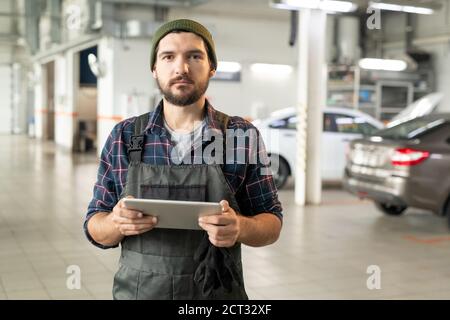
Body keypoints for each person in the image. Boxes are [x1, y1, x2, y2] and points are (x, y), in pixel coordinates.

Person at [84, 18, 283, 300]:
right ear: (154, 69)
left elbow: (272, 222)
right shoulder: (124, 136)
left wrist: (241, 227)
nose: (181, 68)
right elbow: (94, 225)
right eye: (168, 57)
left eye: (194, 56)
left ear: (211, 67)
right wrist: (116, 223)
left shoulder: (241, 136)